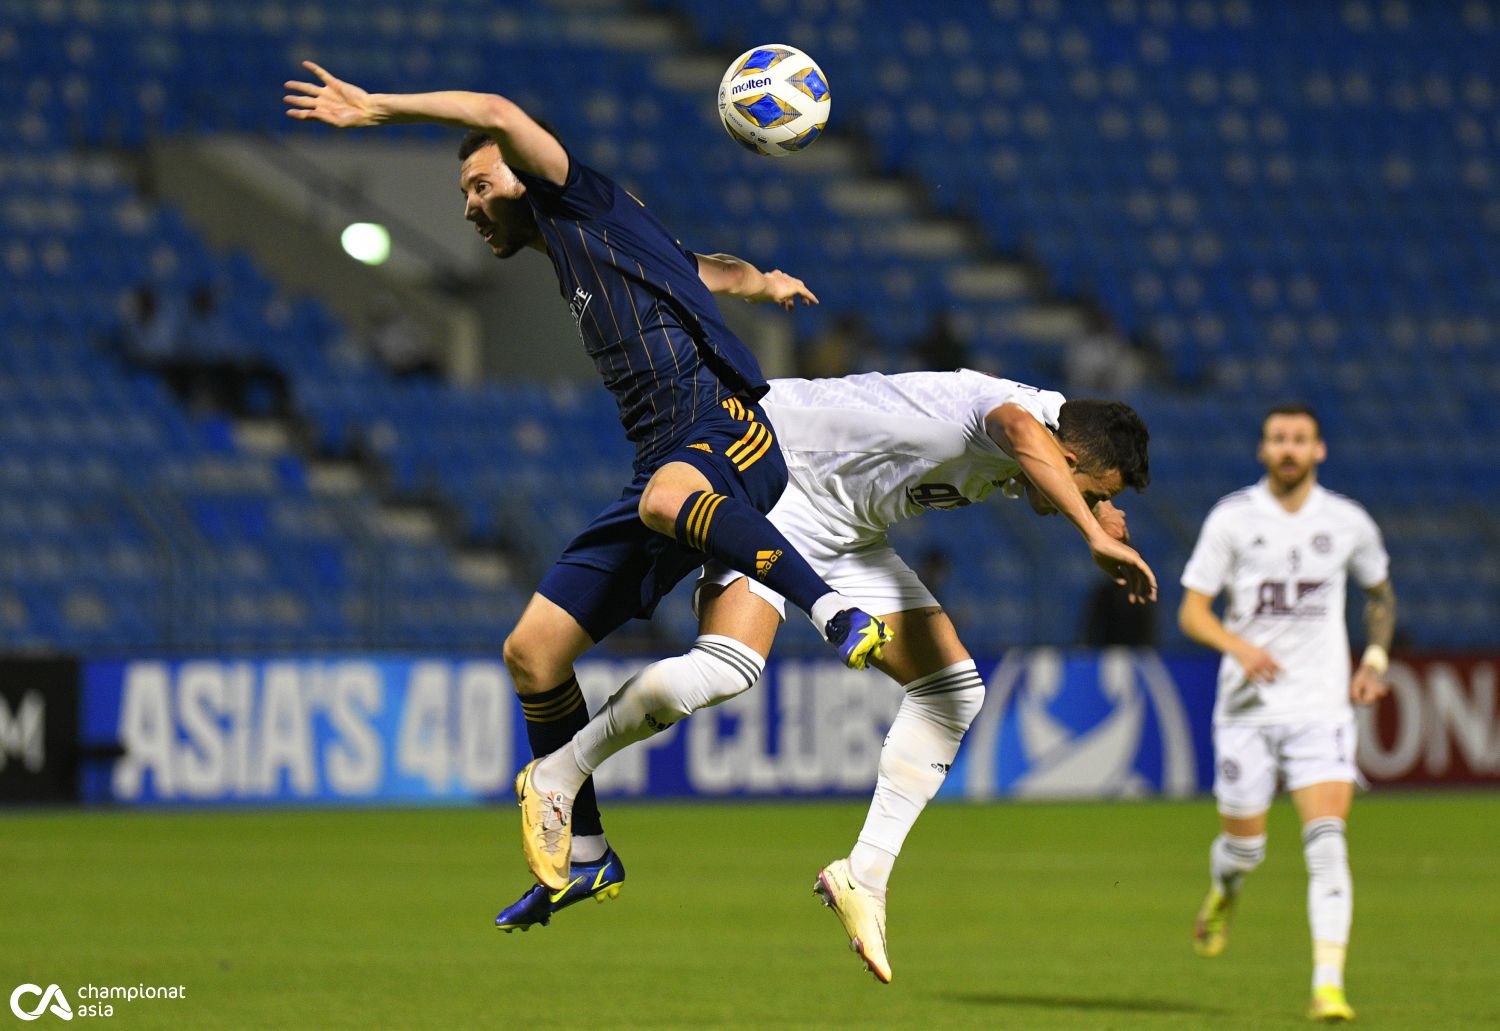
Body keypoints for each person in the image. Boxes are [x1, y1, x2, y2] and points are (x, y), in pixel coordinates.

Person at [284, 60, 898, 901]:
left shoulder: (580, 198)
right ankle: (587, 853)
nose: (468, 206)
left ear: (522, 172)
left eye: (478, 184)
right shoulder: (583, 245)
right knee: (532, 655)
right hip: (664, 462)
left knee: (666, 499)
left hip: (728, 433)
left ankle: (830, 606)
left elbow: (498, 102)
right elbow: (699, 268)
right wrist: (763, 280)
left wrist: (377, 108)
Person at [499, 368, 1157, 984]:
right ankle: (561, 768)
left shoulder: (1040, 448)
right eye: (1098, 489)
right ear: (1070, 461)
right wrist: (1091, 528)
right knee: (729, 667)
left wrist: (1093, 513)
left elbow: (1036, 462)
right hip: (772, 477)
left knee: (953, 689)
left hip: (846, 529)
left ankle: (863, 876)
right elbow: (1019, 431)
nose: (1094, 502)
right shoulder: (1014, 416)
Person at [1178, 402, 1396, 1023]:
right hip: (1245, 712)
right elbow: (1192, 612)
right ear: (1263, 451)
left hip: (1319, 708)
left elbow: (1379, 593)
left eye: (1300, 439)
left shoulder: (1348, 521)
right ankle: (1224, 891)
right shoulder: (1234, 518)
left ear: (1319, 450)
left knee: (1327, 844)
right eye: (1279, 439)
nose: (1289, 449)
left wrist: (1375, 658)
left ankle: (1328, 985)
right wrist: (1238, 646)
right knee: (1244, 850)